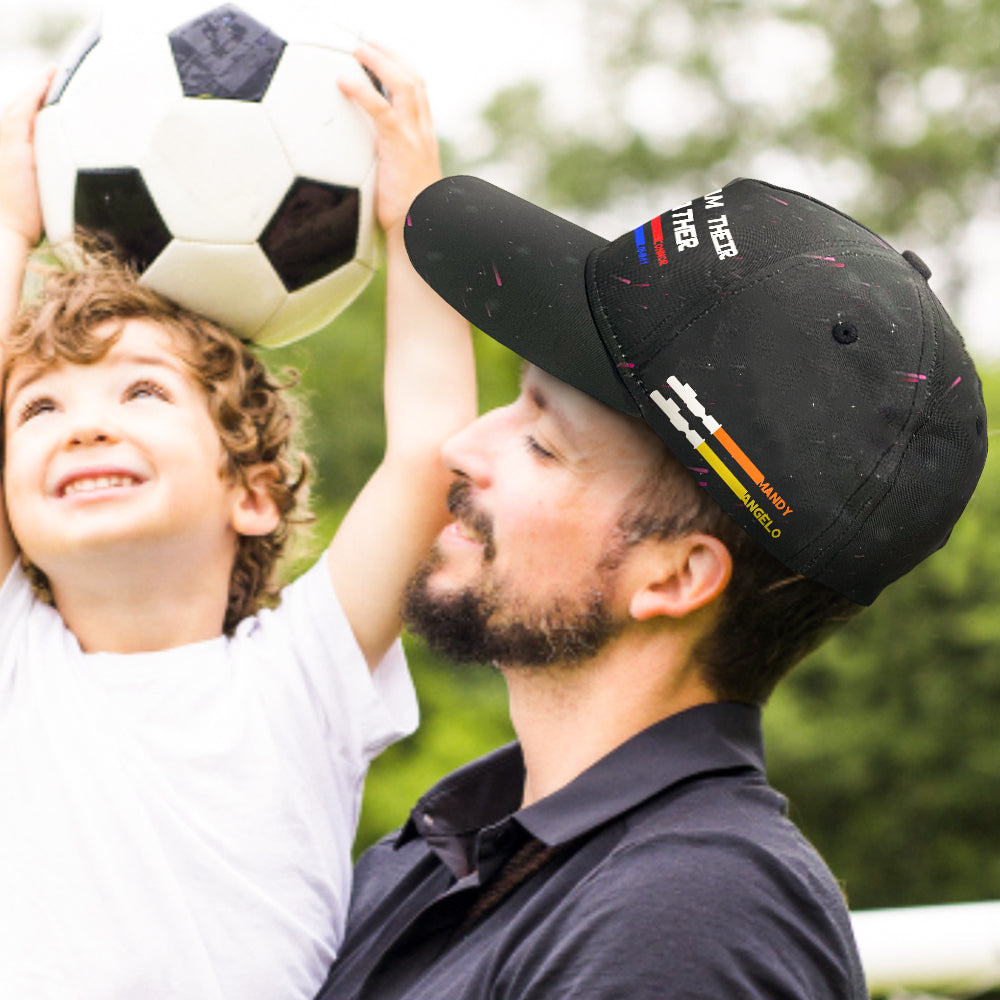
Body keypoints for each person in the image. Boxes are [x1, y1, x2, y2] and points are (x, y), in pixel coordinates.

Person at [317, 174, 988, 999]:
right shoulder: (462, 847)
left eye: (543, 443)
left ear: (676, 575)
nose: (463, 447)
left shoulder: (687, 924)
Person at [0, 45, 473, 1000]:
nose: (86, 423)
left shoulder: (302, 674)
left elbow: (431, 455)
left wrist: (416, 220)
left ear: (251, 493)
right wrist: (11, 227)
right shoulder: (15, 656)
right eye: (39, 409)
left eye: (140, 392)